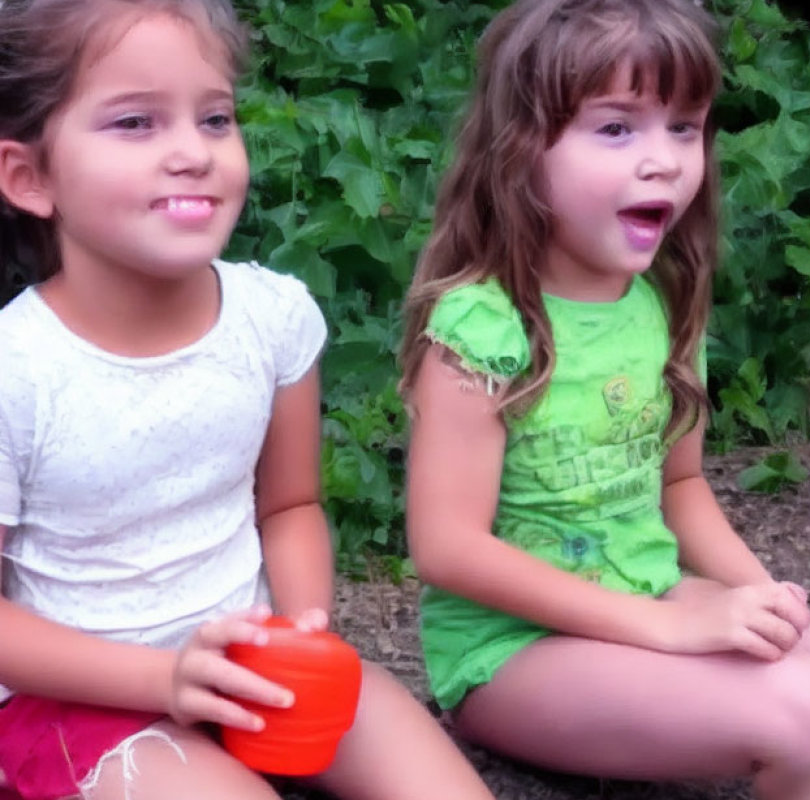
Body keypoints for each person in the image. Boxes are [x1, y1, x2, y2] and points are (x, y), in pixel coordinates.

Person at [0, 2, 496, 799]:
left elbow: (290, 504)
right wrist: (164, 681)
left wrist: (301, 628)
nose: (192, 152)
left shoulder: (272, 318)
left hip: (250, 665)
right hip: (77, 699)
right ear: (31, 177)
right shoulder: (18, 369)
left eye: (215, 118)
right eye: (135, 123)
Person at [399, 1, 810, 799]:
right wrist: (669, 625)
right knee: (799, 709)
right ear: (521, 149)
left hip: (643, 594)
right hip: (511, 655)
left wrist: (760, 600)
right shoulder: (484, 325)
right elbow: (447, 547)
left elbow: (681, 487)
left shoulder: (653, 303)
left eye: (684, 127)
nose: (664, 161)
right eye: (617, 129)